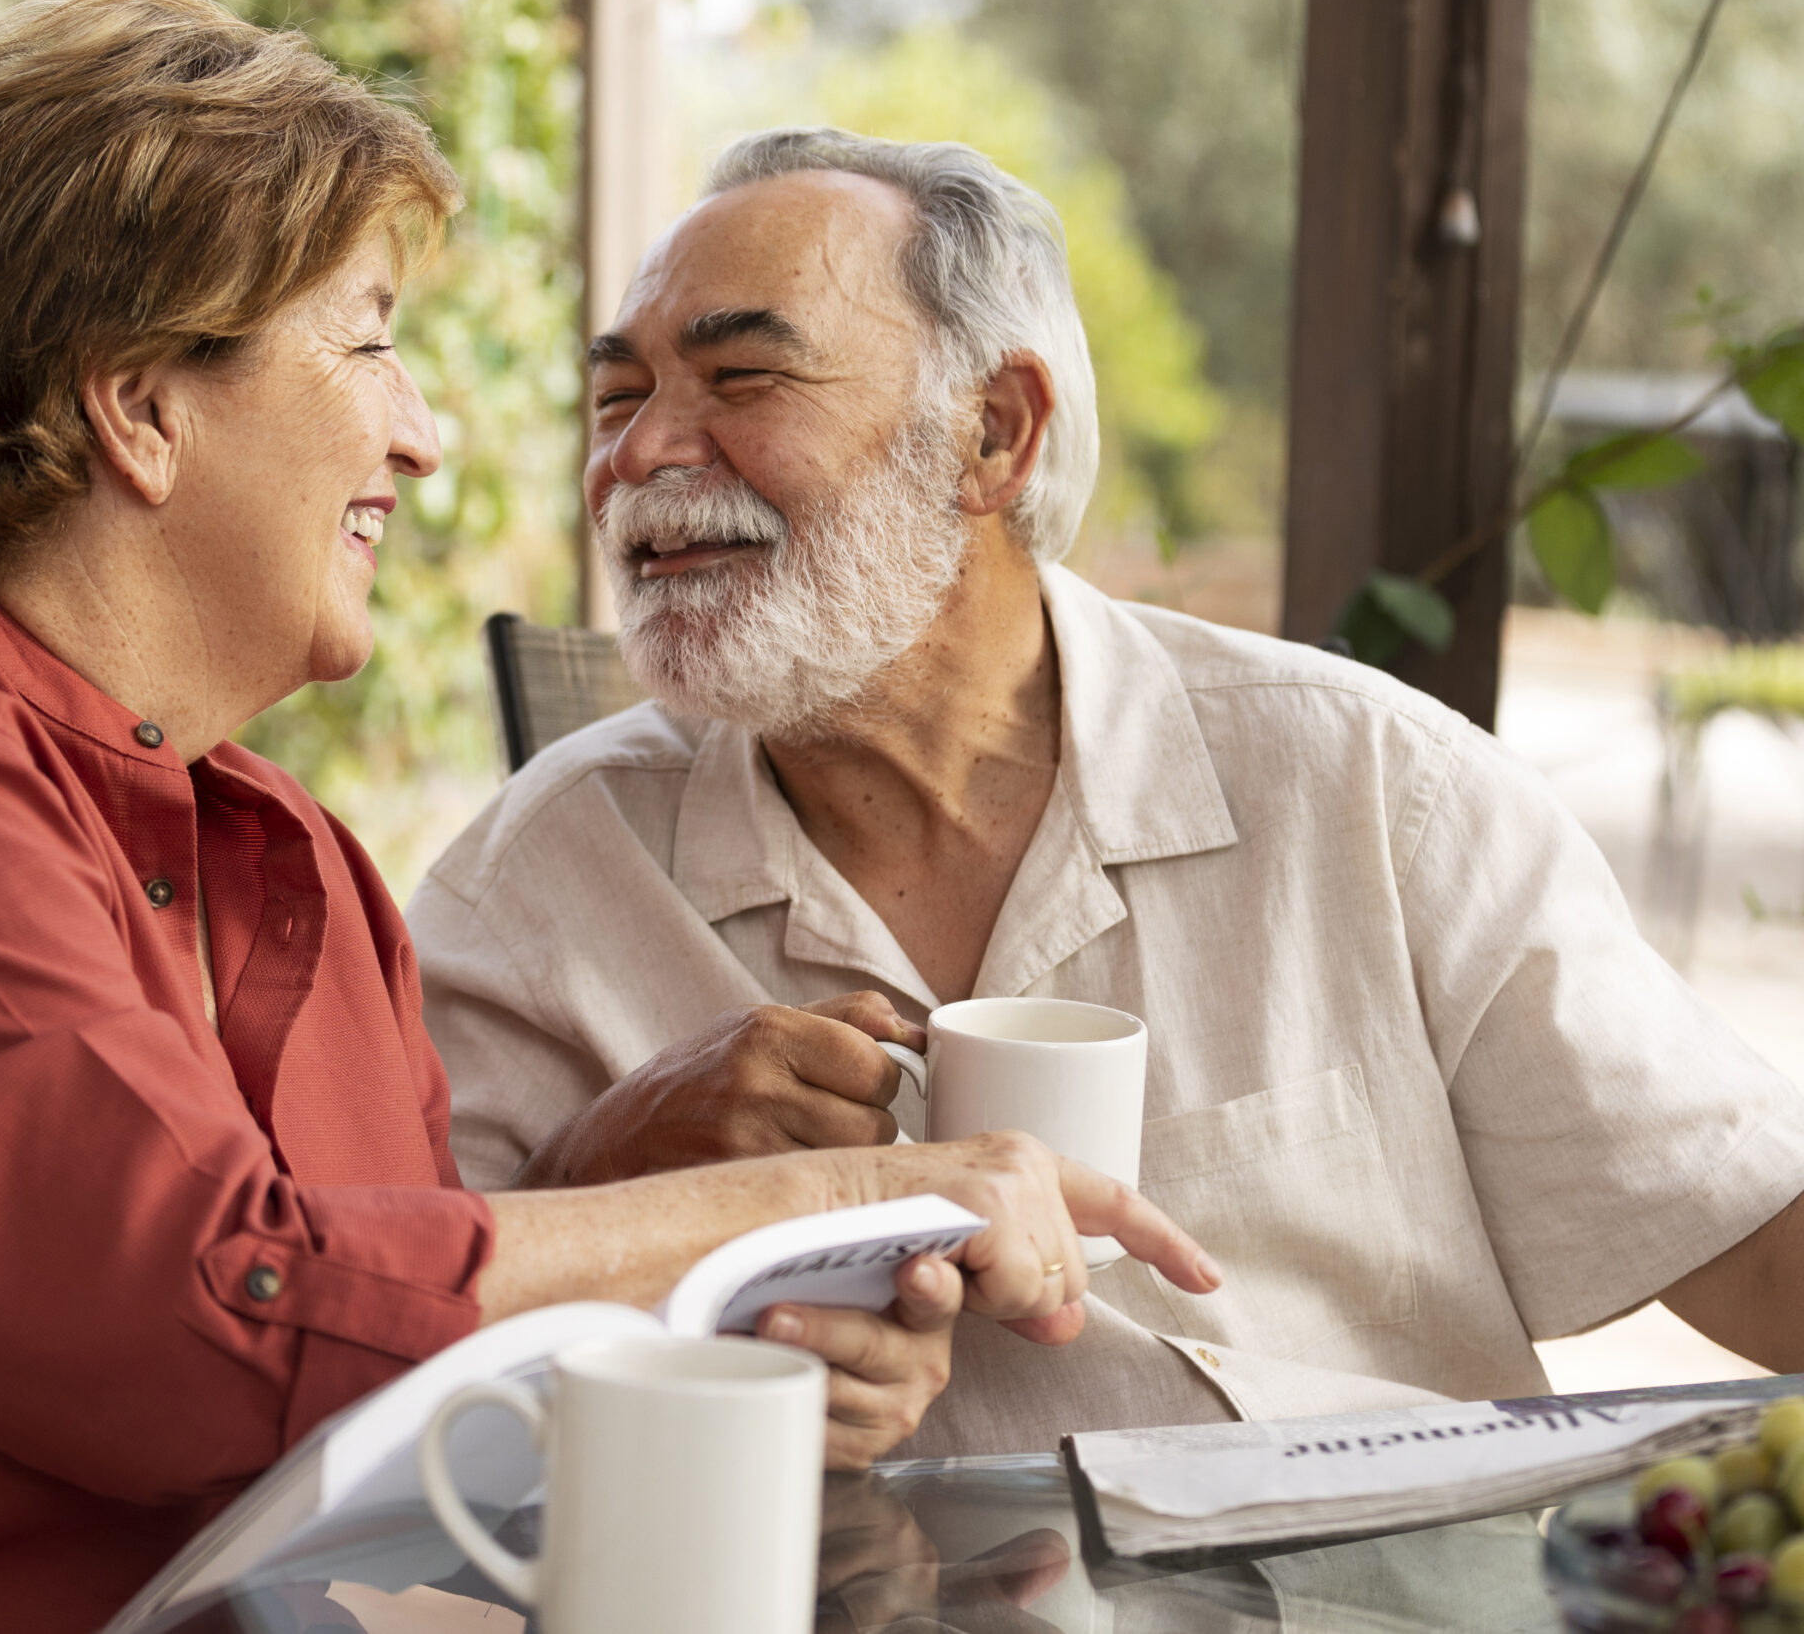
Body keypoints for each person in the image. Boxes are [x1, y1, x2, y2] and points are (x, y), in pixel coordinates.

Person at [0, 0, 1220, 1634]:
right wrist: (856, 1189)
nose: (426, 429)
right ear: (143, 409)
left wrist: (700, 1269)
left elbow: (358, 1360)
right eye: (368, 338)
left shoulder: (276, 849)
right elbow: (198, 1322)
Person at [411, 127, 1804, 1459]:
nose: (641, 453)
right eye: (617, 396)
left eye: (742, 381)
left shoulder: (1373, 792)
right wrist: (608, 1174)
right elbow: (360, 1353)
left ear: (992, 436)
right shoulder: (537, 883)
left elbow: (1750, 1237)